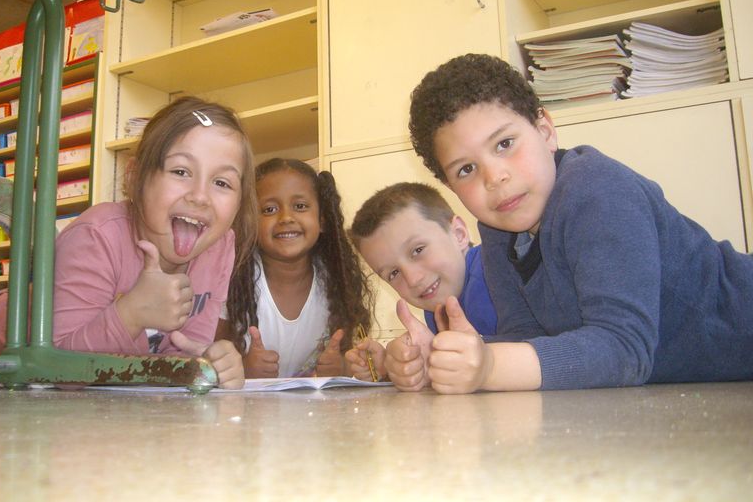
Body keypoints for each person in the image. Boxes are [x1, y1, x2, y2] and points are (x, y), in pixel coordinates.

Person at [386, 52, 753, 393]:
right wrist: (442, 358)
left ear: (545, 131)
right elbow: (526, 339)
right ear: (451, 187)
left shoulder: (597, 190)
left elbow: (624, 350)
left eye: (504, 144)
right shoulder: (499, 229)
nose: (494, 177)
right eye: (466, 169)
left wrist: (490, 367)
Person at [0, 96, 256, 389]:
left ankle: (47, 257)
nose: (200, 197)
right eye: (180, 171)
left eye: (222, 183)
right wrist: (131, 314)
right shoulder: (97, 234)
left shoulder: (220, 246)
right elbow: (56, 370)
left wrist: (210, 363)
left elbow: (182, 352)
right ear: (134, 177)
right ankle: (45, 259)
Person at [221, 158, 374, 378]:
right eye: (269, 209)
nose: (286, 218)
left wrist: (341, 368)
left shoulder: (338, 281)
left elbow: (354, 358)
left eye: (300, 206)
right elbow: (209, 360)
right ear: (250, 222)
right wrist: (242, 369)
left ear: (322, 220)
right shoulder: (231, 279)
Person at [343, 182, 496, 381]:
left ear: (459, 234)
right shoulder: (437, 303)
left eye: (418, 250)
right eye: (394, 273)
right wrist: (393, 366)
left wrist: (434, 358)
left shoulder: (494, 272)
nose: (413, 279)